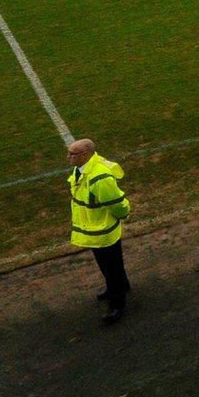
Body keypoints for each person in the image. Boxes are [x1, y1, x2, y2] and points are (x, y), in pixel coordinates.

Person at [66, 138, 132, 323]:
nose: (68, 157)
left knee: (111, 268)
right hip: (96, 229)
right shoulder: (84, 169)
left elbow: (116, 203)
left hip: (103, 231)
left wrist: (123, 214)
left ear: (85, 154)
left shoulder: (99, 176)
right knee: (110, 265)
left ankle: (117, 304)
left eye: (73, 153)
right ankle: (121, 287)